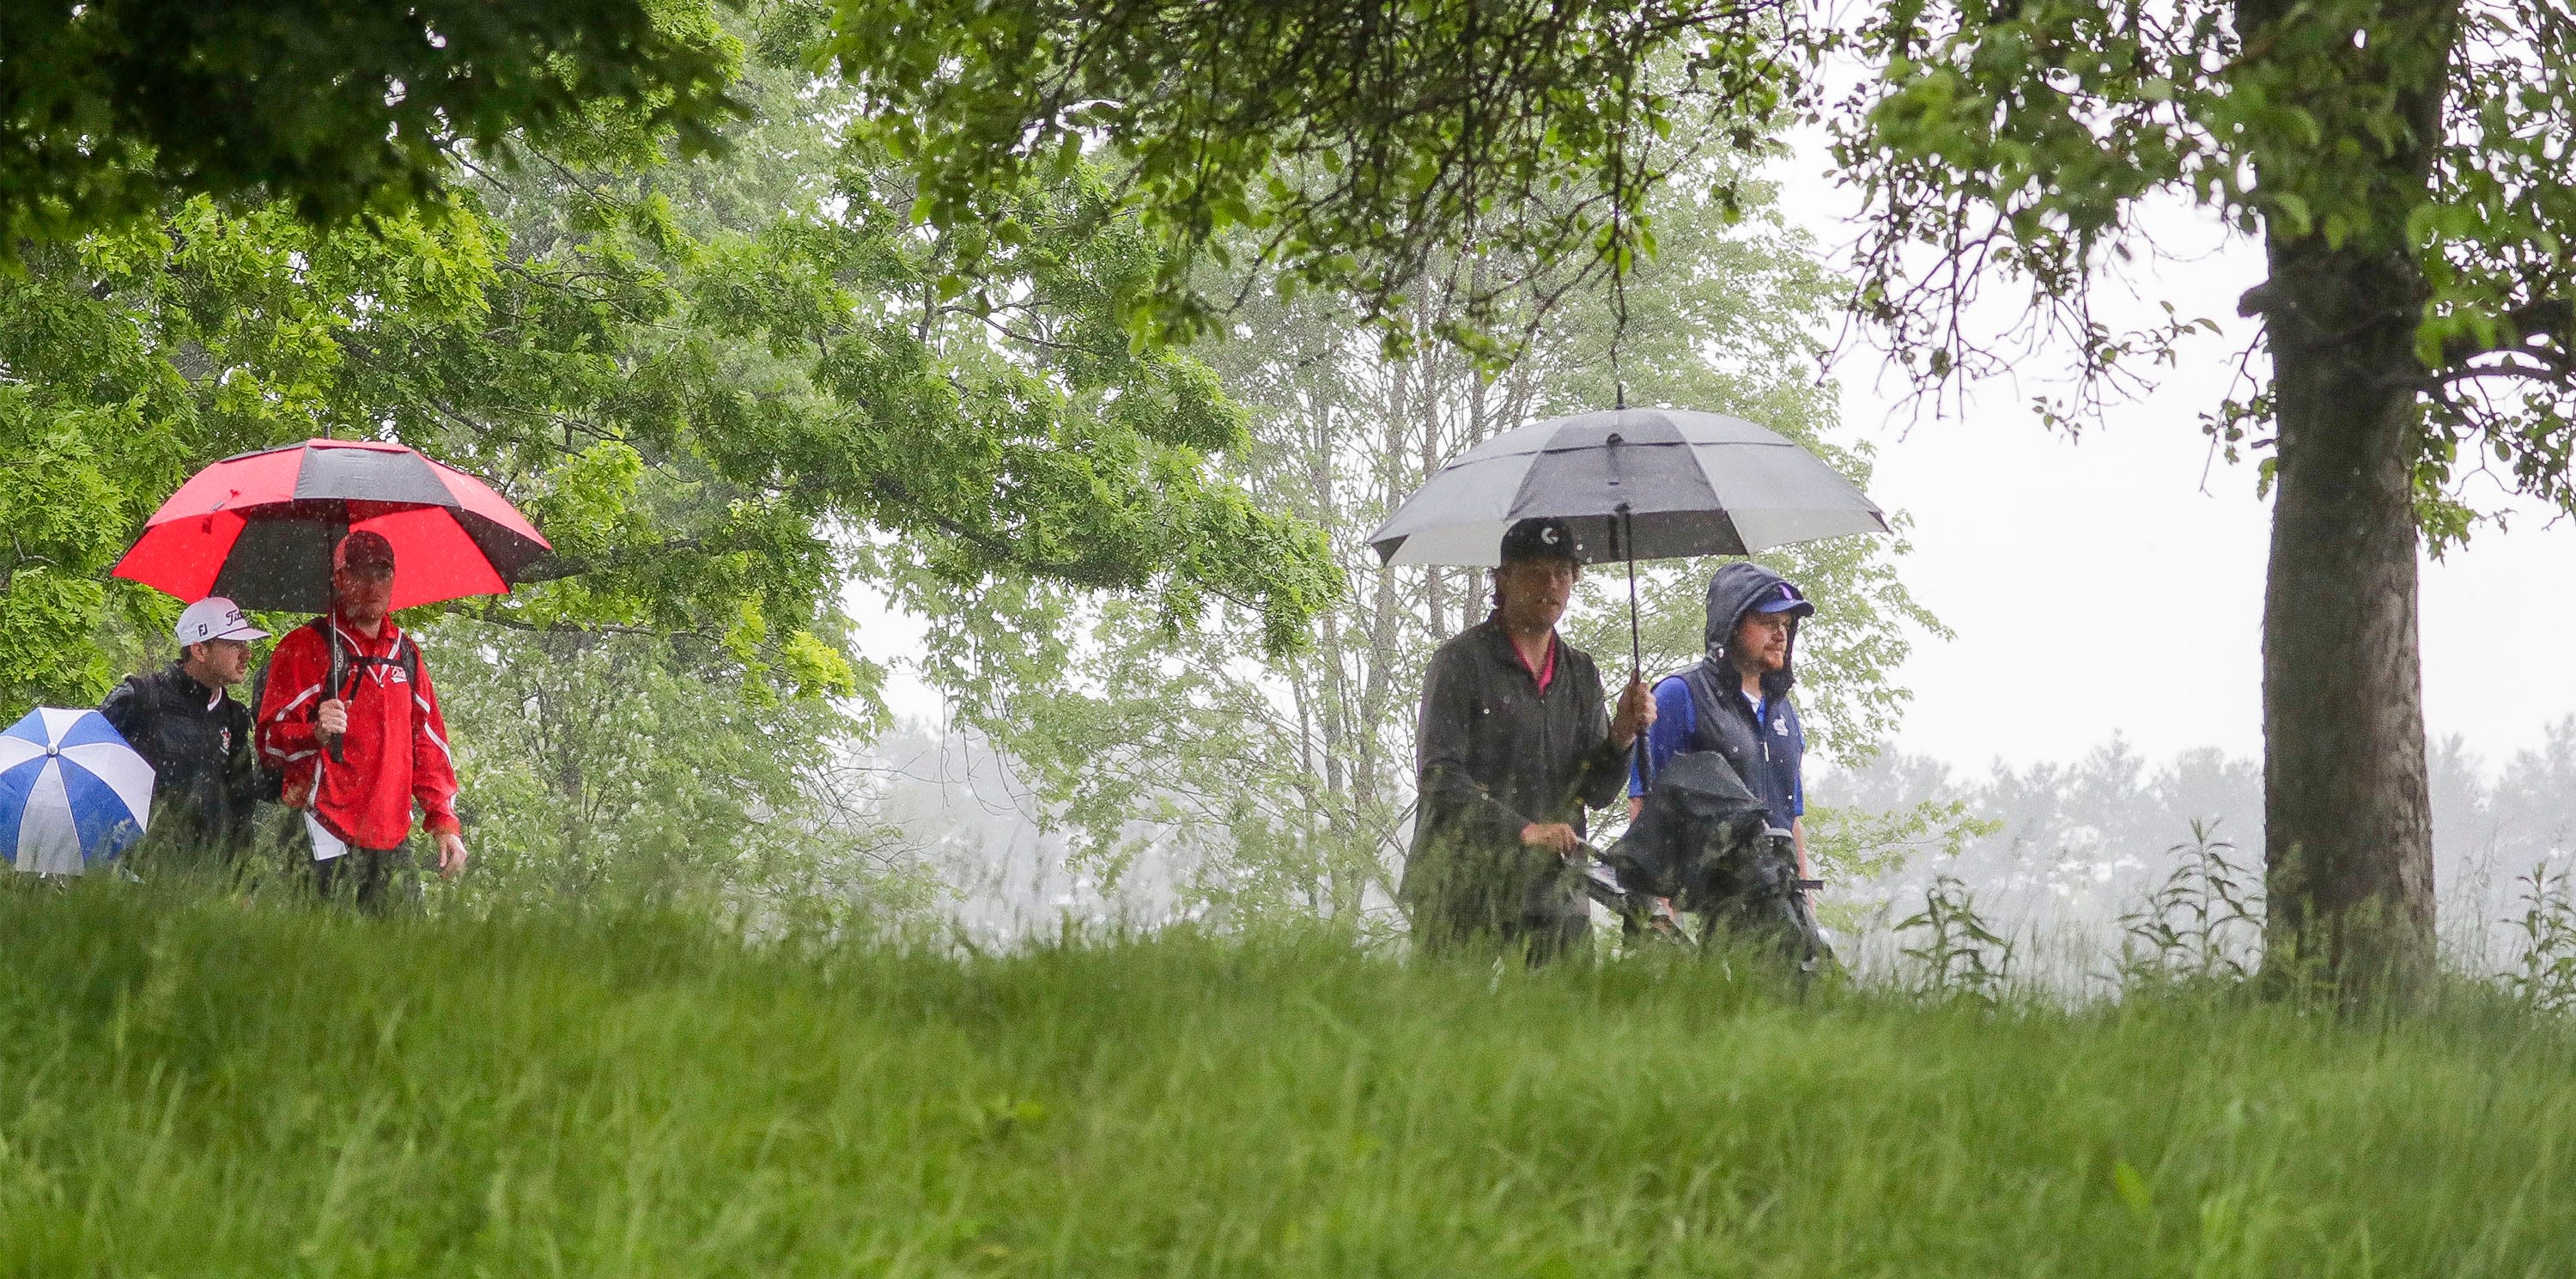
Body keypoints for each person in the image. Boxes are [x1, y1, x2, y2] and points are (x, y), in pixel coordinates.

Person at [1400, 517, 1656, 964]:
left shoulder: (1579, 673)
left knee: (1564, 1027)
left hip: (1553, 889)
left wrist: (1621, 735)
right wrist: (1523, 830)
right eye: (1536, 571)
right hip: (1461, 885)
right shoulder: (1460, 663)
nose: (1551, 584)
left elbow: (1594, 792)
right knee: (1446, 1029)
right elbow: (1440, 778)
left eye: (1563, 571)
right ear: (1503, 578)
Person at [255, 531, 468, 913]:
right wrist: (315, 732)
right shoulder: (304, 647)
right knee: (325, 963)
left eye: (382, 573)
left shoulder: (405, 652)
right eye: (358, 574)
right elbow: (269, 741)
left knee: (406, 963)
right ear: (338, 580)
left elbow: (429, 744)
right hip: (322, 832)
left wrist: (444, 822)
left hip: (392, 840)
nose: (372, 585)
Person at [1628, 562, 1816, 893]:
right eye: (1767, 622)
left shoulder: (1782, 711)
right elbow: (1645, 806)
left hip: (1780, 907)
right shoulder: (1679, 695)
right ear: (1731, 625)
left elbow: (1792, 819)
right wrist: (1659, 916)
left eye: (1786, 623)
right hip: (1705, 908)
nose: (1780, 634)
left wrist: (1808, 910)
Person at [96, 596, 270, 871]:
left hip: (203, 879)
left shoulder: (234, 717)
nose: (247, 654)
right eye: (234, 644)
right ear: (200, 650)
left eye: (245, 644)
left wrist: (240, 881)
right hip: (134, 871)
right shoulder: (140, 698)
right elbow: (92, 768)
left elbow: (241, 807)